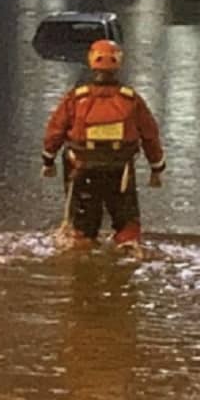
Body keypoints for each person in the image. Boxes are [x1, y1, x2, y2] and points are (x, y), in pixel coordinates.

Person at [41, 40, 166, 253]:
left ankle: (83, 263)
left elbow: (55, 131)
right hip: (120, 171)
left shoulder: (76, 98)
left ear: (91, 62)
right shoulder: (131, 99)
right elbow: (150, 136)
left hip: (81, 169)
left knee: (82, 229)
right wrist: (157, 169)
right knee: (127, 224)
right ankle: (128, 259)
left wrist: (48, 161)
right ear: (119, 64)